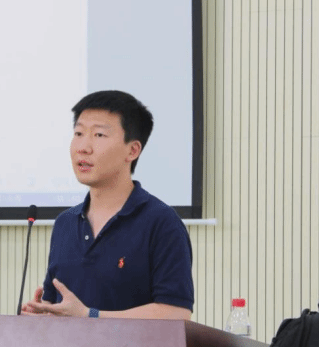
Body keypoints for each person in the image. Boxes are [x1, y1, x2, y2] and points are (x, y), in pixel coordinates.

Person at [22, 90, 194, 320]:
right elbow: (60, 307)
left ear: (132, 150)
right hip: (68, 346)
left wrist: (91, 316)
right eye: (78, 133)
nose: (83, 147)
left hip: (134, 346)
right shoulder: (65, 223)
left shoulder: (161, 222)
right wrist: (44, 314)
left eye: (99, 135)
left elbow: (176, 313)